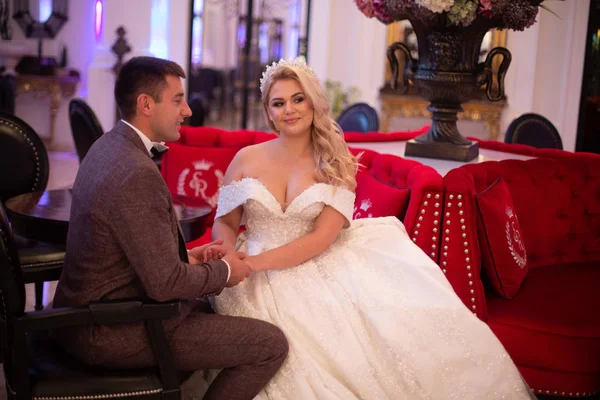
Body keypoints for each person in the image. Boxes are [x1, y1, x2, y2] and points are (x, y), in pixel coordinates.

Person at [205, 58, 536, 399]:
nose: (289, 109)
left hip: (310, 263)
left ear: (313, 102)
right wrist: (229, 253)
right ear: (268, 112)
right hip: (247, 268)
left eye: (297, 98)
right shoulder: (246, 158)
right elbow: (226, 221)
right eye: (279, 102)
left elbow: (320, 238)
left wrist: (253, 264)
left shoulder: (335, 163)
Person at [52, 56, 288, 400]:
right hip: (112, 329)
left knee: (227, 311)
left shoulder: (108, 145)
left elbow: (132, 251)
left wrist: (189, 256)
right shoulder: (136, 172)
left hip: (100, 314)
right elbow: (165, 285)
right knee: (271, 344)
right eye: (178, 100)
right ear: (146, 105)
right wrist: (223, 271)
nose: (188, 110)